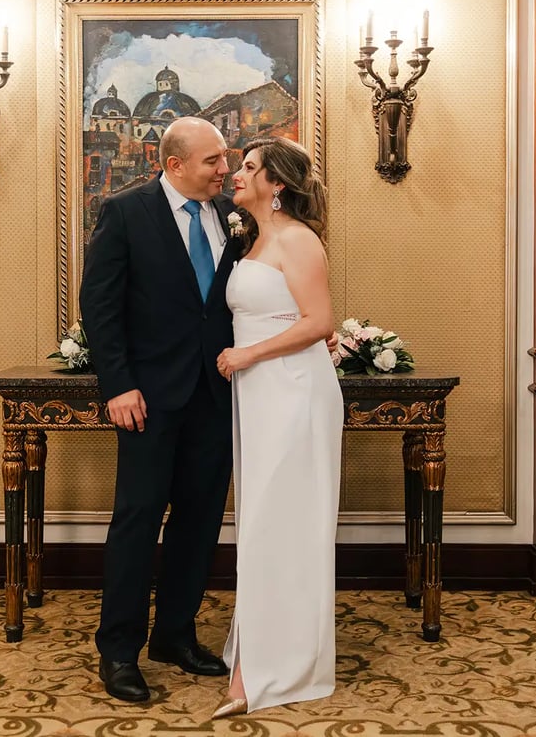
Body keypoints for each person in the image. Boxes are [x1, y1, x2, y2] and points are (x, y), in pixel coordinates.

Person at [79, 116, 240, 703]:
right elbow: (99, 305)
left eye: (225, 159)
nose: (225, 169)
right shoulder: (126, 212)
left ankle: (175, 634)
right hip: (146, 397)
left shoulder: (230, 219)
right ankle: (119, 650)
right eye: (213, 161)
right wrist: (118, 385)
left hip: (216, 396)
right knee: (138, 522)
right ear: (175, 165)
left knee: (198, 523)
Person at [213, 137, 343, 717]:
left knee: (284, 521)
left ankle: (266, 668)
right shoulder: (253, 236)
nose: (235, 174)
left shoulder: (298, 238)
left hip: (293, 391)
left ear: (276, 183)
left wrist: (247, 355)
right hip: (261, 397)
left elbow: (319, 322)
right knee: (262, 522)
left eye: (247, 167)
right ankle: (255, 652)